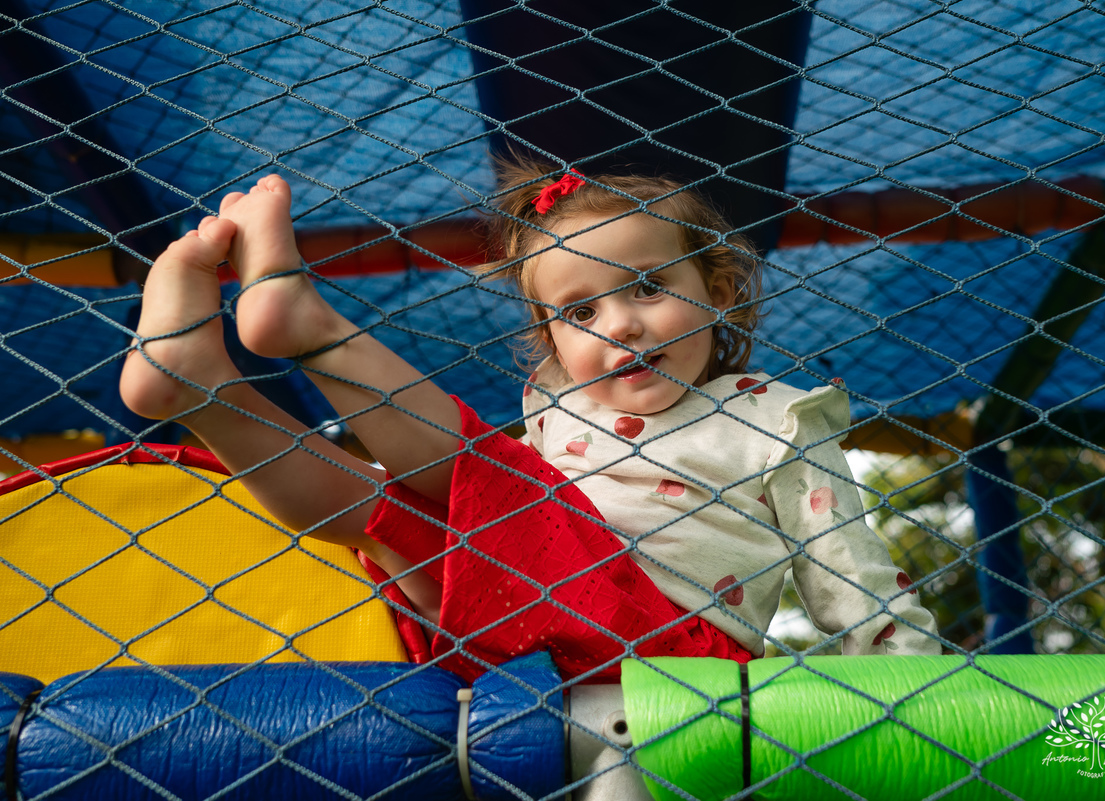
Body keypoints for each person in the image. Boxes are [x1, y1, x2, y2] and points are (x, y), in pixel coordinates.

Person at [119, 163, 939, 682]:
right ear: (550, 341)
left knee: (477, 475)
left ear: (718, 292)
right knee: (387, 507)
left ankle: (316, 330)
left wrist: (908, 688)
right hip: (510, 625)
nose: (619, 325)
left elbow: (851, 570)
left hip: (666, 647)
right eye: (580, 311)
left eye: (648, 288)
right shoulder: (558, 408)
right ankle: (201, 393)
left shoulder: (771, 416)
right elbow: (470, 498)